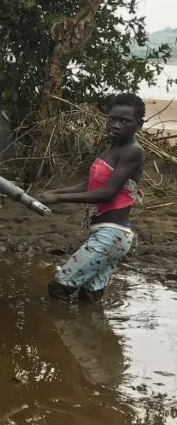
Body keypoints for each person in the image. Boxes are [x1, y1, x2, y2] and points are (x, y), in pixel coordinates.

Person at [38, 93, 144, 304]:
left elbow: (107, 193)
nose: (116, 125)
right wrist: (54, 193)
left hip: (110, 236)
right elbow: (91, 184)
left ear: (139, 125)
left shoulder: (133, 151)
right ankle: (92, 333)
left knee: (59, 287)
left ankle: (54, 333)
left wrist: (59, 200)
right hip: (110, 236)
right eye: (112, 118)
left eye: (125, 121)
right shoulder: (112, 148)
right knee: (89, 297)